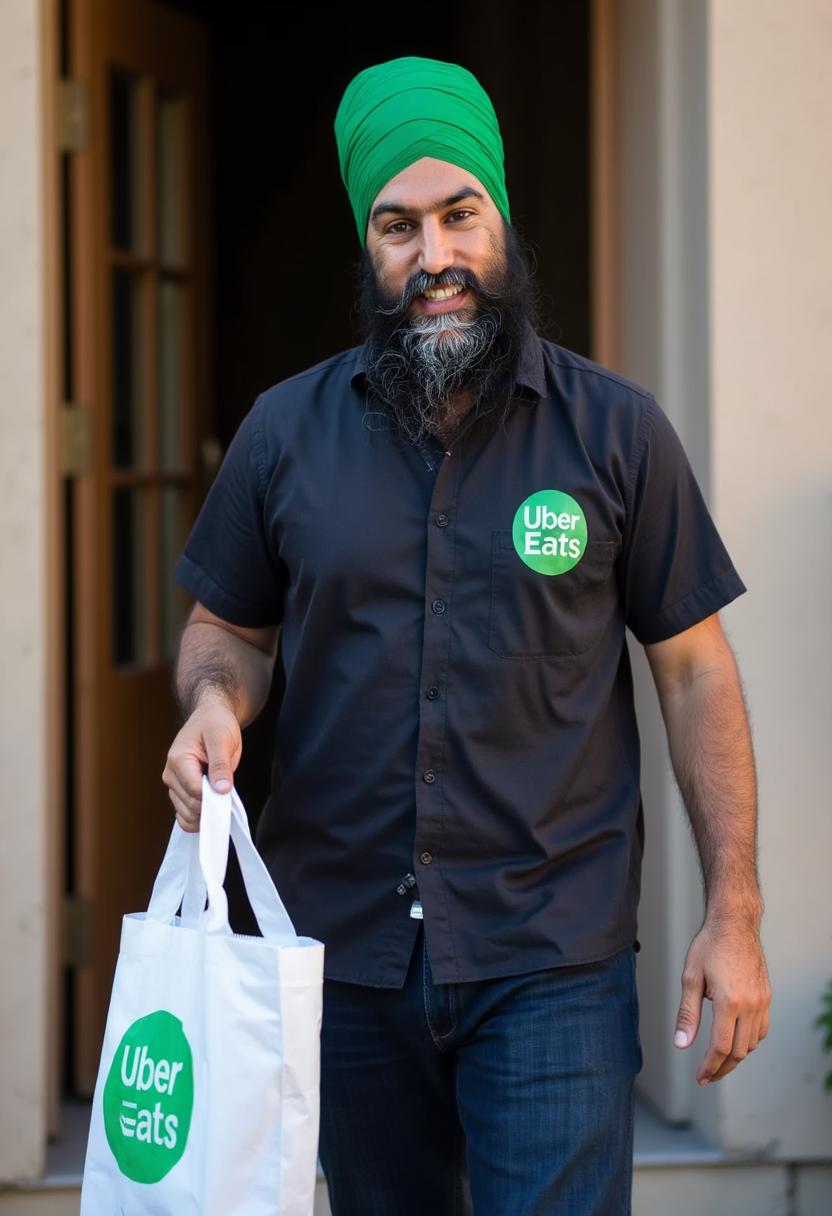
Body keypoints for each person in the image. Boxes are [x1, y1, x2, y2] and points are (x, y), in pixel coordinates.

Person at [163, 56, 771, 1216]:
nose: (434, 256)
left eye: (459, 214)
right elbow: (226, 632)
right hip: (342, 959)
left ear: (500, 217)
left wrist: (731, 911)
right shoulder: (284, 433)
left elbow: (694, 670)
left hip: (550, 956)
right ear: (368, 244)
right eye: (398, 226)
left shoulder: (616, 434)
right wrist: (209, 703)